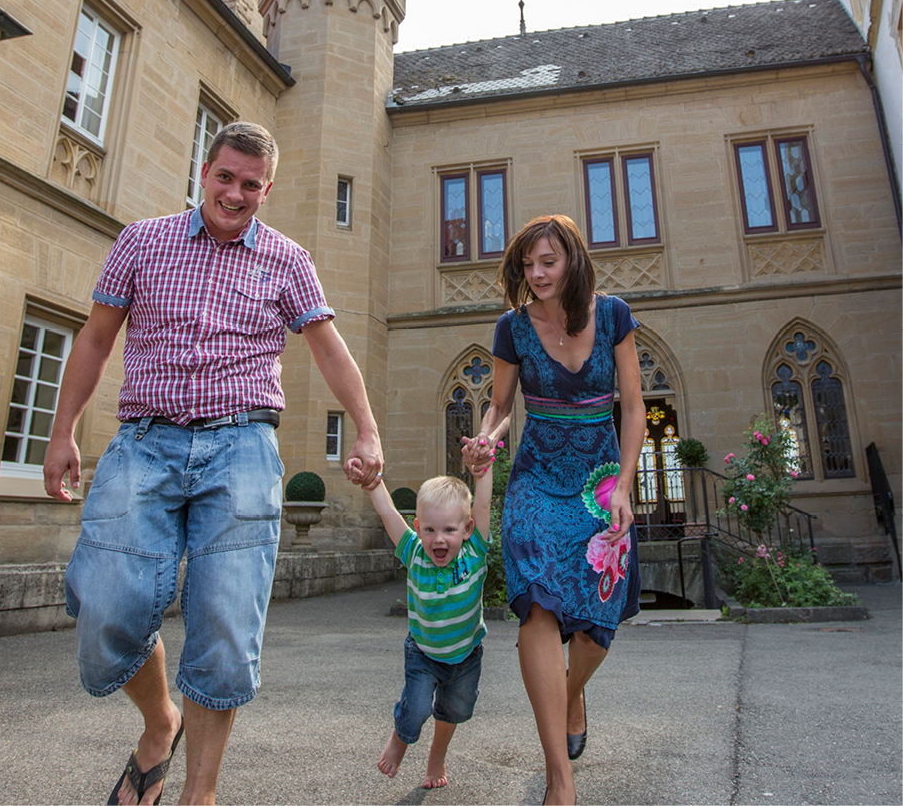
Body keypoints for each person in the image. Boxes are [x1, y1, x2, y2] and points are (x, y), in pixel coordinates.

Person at [43, 121, 383, 806]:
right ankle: (159, 721)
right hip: (145, 440)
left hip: (241, 448)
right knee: (104, 603)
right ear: (205, 171)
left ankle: (200, 793)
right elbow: (95, 338)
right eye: (225, 177)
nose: (235, 193)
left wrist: (367, 429)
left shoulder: (286, 259)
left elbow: (328, 348)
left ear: (267, 188)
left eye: (250, 184)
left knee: (225, 629)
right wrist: (61, 431)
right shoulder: (142, 241)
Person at [462, 214, 645, 806]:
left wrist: (624, 485)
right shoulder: (512, 328)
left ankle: (570, 692)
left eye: (548, 262)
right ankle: (559, 782)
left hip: (599, 478)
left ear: (571, 261)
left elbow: (636, 409)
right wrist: (488, 437)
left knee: (597, 626)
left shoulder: (614, 315)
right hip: (537, 476)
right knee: (537, 607)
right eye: (527, 265)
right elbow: (500, 405)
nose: (536, 274)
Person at [359, 462, 499, 790]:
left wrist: (483, 470)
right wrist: (373, 482)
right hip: (423, 653)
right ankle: (400, 739)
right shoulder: (414, 554)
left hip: (465, 657)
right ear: (419, 528)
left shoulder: (474, 552)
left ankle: (438, 755)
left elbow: (482, 503)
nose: (439, 539)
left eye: (449, 530)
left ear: (466, 529)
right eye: (430, 530)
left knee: (455, 711)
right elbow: (389, 514)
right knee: (416, 710)